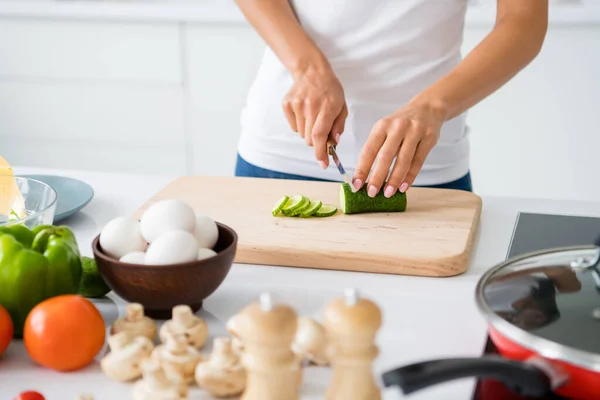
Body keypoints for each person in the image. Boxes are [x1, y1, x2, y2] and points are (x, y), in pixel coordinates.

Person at [233, 0, 548, 197]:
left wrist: (433, 107)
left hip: (420, 167)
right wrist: (307, 68)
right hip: (280, 156)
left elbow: (524, 19)